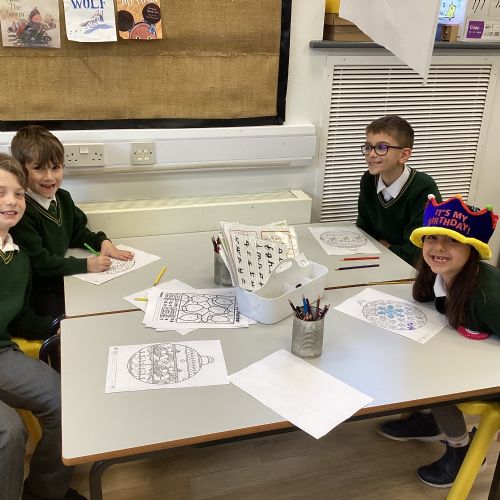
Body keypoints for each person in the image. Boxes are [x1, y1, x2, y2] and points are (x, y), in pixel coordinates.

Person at [378, 193, 500, 488]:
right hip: (474, 355)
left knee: (433, 376)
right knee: (415, 354)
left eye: (453, 240)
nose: (438, 247)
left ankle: (461, 450)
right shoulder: (439, 274)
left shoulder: (488, 296)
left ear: (473, 249)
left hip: (492, 379)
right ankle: (431, 420)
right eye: (431, 238)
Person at [0, 154, 85, 500]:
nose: (11, 201)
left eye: (18, 194)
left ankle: (44, 493)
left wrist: (56, 325)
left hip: (2, 353)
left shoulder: (17, 255)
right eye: (0, 192)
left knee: (68, 402)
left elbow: (19, 316)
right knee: (9, 432)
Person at [10, 125, 133, 317]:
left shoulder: (63, 197)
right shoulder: (21, 212)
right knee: (78, 315)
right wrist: (86, 265)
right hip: (40, 291)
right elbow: (41, 263)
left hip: (63, 276)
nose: (49, 177)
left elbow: (77, 232)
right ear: (20, 171)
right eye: (38, 168)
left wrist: (102, 242)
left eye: (55, 167)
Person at [356, 115, 441, 266]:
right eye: (368, 147)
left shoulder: (424, 188)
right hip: (378, 259)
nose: (371, 154)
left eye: (382, 147)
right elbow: (364, 229)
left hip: (411, 269)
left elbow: (416, 251)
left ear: (403, 155)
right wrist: (383, 247)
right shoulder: (368, 179)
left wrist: (387, 248)